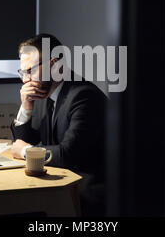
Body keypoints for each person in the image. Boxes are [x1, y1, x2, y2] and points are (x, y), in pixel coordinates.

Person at [10, 33, 107, 216]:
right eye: (22, 73)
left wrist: (26, 151)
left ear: (54, 65)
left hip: (87, 192)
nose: (25, 80)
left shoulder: (83, 96)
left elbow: (68, 154)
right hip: (59, 184)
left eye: (30, 71)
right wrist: (26, 107)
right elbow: (20, 142)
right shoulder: (44, 94)